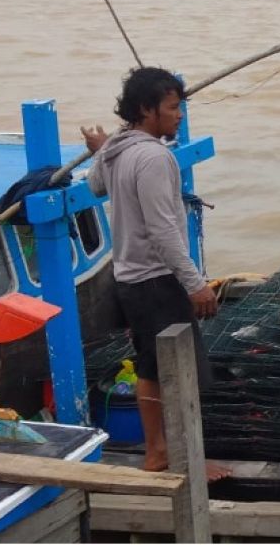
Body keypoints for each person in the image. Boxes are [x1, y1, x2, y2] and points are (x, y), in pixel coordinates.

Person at [82, 66, 230, 482]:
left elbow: (95, 186)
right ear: (148, 110)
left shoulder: (116, 151)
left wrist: (101, 148)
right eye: (171, 108)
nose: (179, 116)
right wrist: (195, 283)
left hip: (128, 280)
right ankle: (186, 460)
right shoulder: (153, 156)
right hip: (158, 281)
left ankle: (158, 452)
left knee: (149, 369)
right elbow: (164, 229)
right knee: (176, 371)